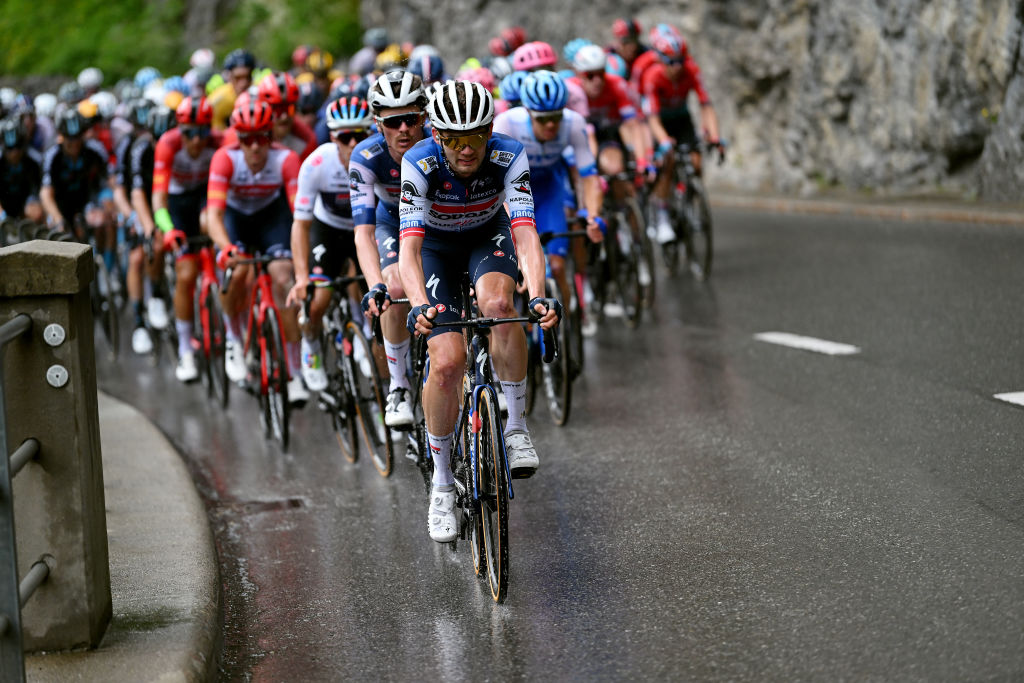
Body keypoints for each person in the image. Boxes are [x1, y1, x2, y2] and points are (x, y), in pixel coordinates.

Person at [399, 80, 560, 543]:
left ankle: (515, 427)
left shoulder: (510, 153)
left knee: (499, 306)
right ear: (437, 135)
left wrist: (540, 294)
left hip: (487, 236)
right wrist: (420, 307)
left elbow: (526, 232)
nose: (466, 149)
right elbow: (408, 255)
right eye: (453, 138)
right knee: (448, 360)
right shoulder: (420, 163)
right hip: (435, 248)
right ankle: (444, 483)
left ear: (490, 130)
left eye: (475, 136)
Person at [206, 99, 307, 403]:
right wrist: (226, 249)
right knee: (238, 273)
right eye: (246, 139)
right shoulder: (225, 159)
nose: (254, 147)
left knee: (283, 279)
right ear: (238, 138)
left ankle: (295, 372)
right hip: (236, 220)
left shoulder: (286, 159)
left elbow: (298, 214)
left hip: (270, 218)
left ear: (270, 136)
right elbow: (214, 215)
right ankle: (234, 339)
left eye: (260, 138)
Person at [349, 70, 430, 429]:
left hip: (437, 222)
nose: (404, 130)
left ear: (423, 118)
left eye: (411, 119)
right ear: (378, 124)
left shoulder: (438, 145)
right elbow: (363, 234)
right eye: (393, 121)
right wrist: (374, 285)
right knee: (395, 287)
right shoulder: (366, 156)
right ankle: (398, 385)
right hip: (391, 224)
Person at [493, 70, 604, 318]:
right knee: (517, 265)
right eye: (543, 120)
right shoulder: (507, 123)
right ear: (529, 112)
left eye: (556, 117)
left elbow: (589, 175)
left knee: (556, 264)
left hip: (548, 188)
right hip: (513, 191)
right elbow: (497, 185)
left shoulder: (574, 123)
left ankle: (568, 322)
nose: (552, 125)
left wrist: (593, 216)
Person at [284, 97, 372, 392]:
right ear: (334, 137)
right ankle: (311, 347)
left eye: (359, 136)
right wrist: (300, 277)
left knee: (375, 295)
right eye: (345, 137)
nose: (352, 144)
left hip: (364, 229)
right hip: (327, 230)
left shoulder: (376, 160)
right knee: (318, 300)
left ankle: (364, 336)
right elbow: (301, 224)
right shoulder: (317, 164)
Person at [153, 96, 223, 382]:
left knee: (212, 227)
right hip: (179, 204)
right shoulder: (168, 144)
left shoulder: (217, 142)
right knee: (186, 273)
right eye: (189, 133)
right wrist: (168, 228)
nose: (196, 140)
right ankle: (185, 349)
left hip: (207, 200)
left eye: (202, 132)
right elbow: (158, 198)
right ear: (179, 130)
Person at [643, 24, 723, 244]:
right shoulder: (653, 77)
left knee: (696, 163)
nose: (677, 66)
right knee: (668, 161)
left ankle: (687, 194)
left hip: (682, 119)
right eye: (670, 61)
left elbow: (706, 105)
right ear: (660, 60)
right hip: (660, 122)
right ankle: (661, 214)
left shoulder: (692, 70)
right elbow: (652, 118)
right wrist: (664, 141)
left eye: (681, 60)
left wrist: (715, 136)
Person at [0, 118, 44, 223]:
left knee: (35, 211)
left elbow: (38, 190)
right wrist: (3, 216)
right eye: (10, 148)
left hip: (26, 206)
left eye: (18, 146)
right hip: (4, 207)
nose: (14, 152)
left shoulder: (34, 161)